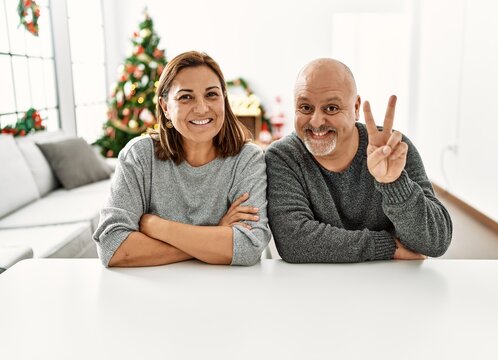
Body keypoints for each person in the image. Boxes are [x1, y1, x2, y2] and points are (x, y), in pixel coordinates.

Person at [93, 51, 271, 267]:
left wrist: (156, 226)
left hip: (227, 290)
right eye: (186, 97)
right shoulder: (139, 156)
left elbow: (249, 247)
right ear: (166, 107)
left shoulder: (247, 159)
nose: (202, 108)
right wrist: (215, 236)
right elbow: (113, 247)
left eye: (211, 95)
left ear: (224, 98)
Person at [265, 58, 452, 263]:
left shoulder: (390, 149)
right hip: (316, 287)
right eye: (305, 107)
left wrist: (394, 184)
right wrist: (388, 246)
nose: (316, 121)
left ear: (355, 108)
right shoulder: (283, 156)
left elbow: (436, 242)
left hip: (389, 285)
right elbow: (295, 242)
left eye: (331, 108)